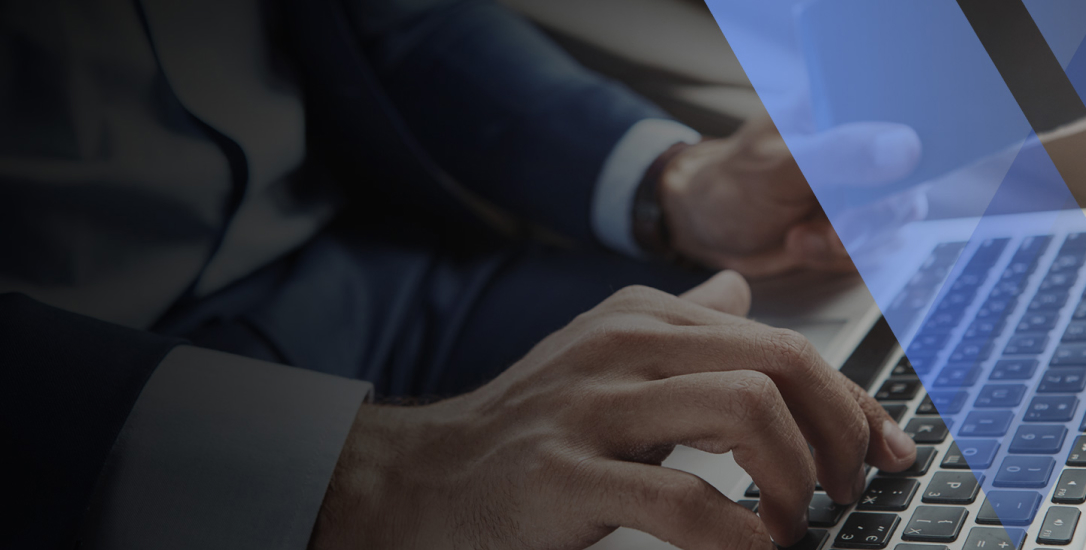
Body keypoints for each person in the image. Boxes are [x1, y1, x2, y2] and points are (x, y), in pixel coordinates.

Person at [0, 0, 922, 548]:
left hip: (373, 275)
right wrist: (360, 475)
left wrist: (675, 187)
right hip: (78, 406)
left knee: (838, 339)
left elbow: (393, 17)